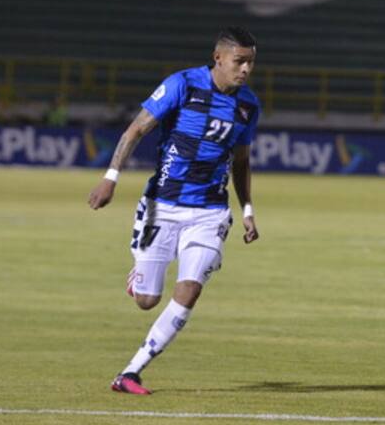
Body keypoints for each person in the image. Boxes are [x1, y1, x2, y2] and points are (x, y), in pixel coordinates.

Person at [87, 28, 261, 394]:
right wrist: (111, 178)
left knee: (190, 288)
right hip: (162, 205)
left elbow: (241, 162)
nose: (245, 69)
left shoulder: (248, 106)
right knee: (148, 301)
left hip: (210, 211)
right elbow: (135, 130)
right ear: (218, 57)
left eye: (251, 62)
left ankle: (131, 372)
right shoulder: (182, 85)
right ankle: (139, 278)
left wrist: (247, 208)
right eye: (239, 61)